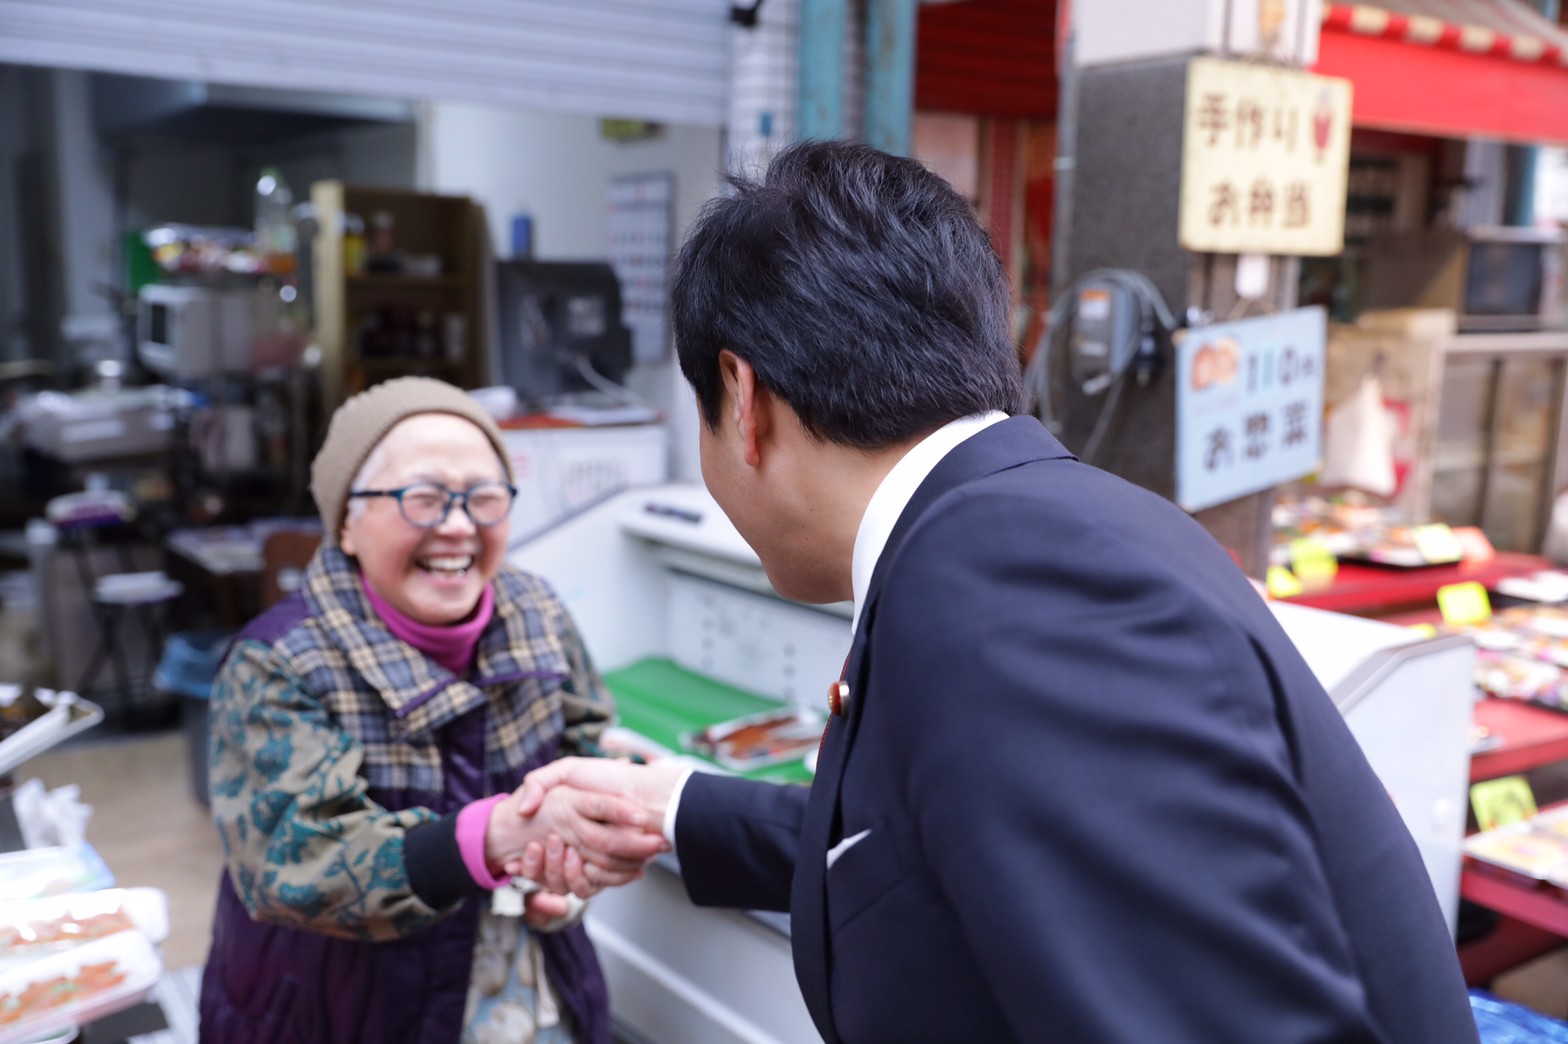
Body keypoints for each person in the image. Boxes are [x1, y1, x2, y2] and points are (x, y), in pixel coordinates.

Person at [514, 141, 1480, 1042]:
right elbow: (944, 843)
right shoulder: (1022, 530)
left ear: (742, 397)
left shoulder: (1012, 588)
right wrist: (674, 806)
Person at [199, 377, 666, 1043]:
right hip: (339, 1010)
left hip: (526, 990)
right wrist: (497, 836)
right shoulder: (278, 661)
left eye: (483, 497)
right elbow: (295, 864)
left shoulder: (535, 610)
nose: (456, 526)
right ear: (348, 523)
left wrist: (572, 866)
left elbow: (584, 743)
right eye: (421, 498)